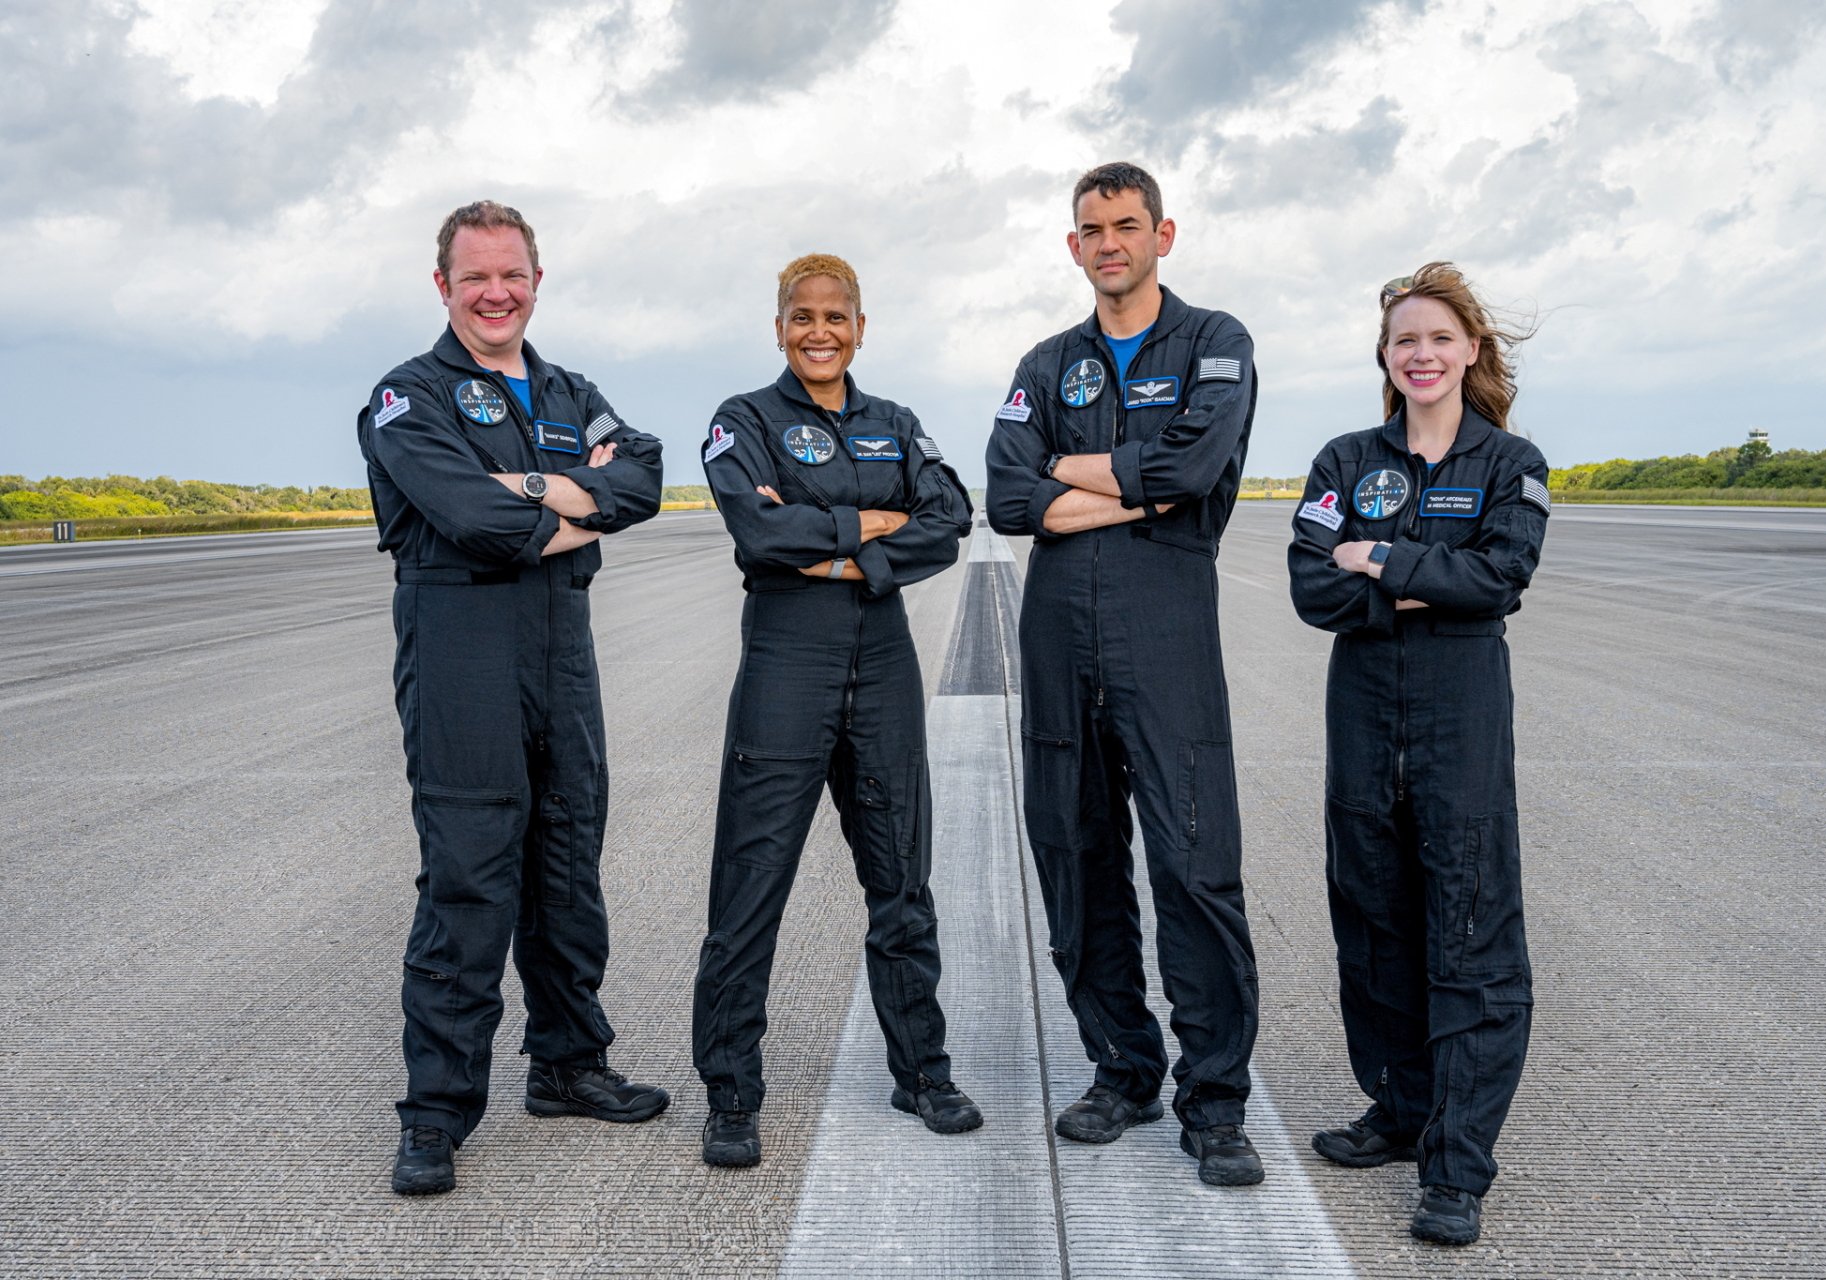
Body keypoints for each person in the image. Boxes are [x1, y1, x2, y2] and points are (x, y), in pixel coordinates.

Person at [358, 200, 669, 1197]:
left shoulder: (572, 387)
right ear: (442, 285)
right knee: (470, 875)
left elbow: (647, 479)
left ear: (537, 280)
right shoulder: (410, 396)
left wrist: (529, 490)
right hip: (462, 656)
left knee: (569, 859)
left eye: (514, 274)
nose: (497, 292)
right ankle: (436, 1112)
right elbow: (473, 520)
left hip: (560, 653)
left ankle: (570, 1064)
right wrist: (573, 491)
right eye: (476, 275)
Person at [984, 163, 1264, 1187]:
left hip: (1166, 634)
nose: (1110, 242)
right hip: (1061, 639)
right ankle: (1122, 1066)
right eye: (1091, 228)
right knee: (1075, 857)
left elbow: (1196, 471)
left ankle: (1216, 1099)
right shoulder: (1046, 361)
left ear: (1164, 233)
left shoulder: (1215, 343)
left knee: (1195, 867)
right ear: (1073, 246)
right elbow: (1007, 494)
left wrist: (1070, 469)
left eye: (1127, 225)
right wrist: (1132, 488)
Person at [690, 253, 980, 1169]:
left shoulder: (895, 423)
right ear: (778, 327)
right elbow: (758, 531)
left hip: (883, 660)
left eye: (836, 317)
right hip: (787, 658)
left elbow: (951, 514)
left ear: (861, 327)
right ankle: (732, 1092)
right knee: (751, 885)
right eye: (802, 317)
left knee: (902, 880)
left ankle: (921, 1069)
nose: (820, 332)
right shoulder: (744, 420)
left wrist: (831, 543)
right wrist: (873, 524)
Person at [1287, 262, 1550, 1246]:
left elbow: (1501, 577)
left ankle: (1456, 1164)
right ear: (1387, 358)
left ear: (1470, 350)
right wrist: (1417, 578)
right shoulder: (1344, 458)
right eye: (1406, 340)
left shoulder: (1509, 461)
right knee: (1372, 913)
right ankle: (1399, 1108)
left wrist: (1384, 557)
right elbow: (1312, 585)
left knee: (1470, 925)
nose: (1423, 353)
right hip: (1363, 710)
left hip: (1460, 707)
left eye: (1440, 337)